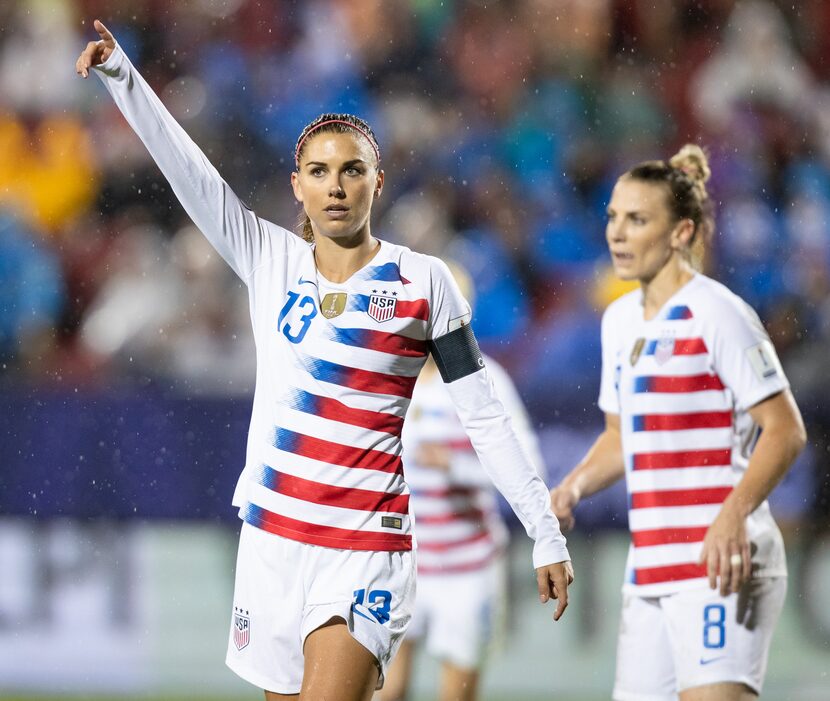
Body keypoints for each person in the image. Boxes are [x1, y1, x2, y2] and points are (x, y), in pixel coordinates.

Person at [76, 20, 573, 701]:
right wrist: (123, 78)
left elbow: (484, 416)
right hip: (273, 544)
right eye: (319, 172)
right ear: (298, 187)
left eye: (351, 170)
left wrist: (543, 531)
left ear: (377, 182)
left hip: (364, 548)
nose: (335, 185)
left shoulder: (424, 284)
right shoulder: (268, 258)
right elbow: (193, 177)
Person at [549, 144, 806, 701]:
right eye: (613, 217)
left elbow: (786, 430)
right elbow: (621, 437)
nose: (617, 233)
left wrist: (733, 516)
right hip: (649, 568)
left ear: (681, 233)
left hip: (721, 565)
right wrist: (571, 487)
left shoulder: (718, 312)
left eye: (637, 219)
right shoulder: (618, 321)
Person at [381, 264, 542, 701]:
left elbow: (529, 466)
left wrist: (455, 468)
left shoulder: (485, 380)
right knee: (385, 688)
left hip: (467, 568)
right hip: (401, 565)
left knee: (455, 694)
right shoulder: (395, 376)